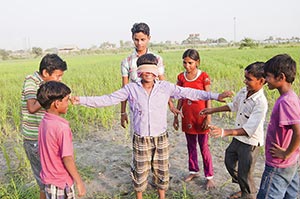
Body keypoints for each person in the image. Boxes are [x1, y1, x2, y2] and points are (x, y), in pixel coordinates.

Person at [72, 53, 232, 199]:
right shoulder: (131, 89)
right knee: (140, 170)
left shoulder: (164, 87)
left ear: (156, 71)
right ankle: (139, 196)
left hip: (160, 137)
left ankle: (161, 195)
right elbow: (106, 99)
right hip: (141, 138)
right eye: (144, 71)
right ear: (138, 72)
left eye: (151, 70)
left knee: (161, 169)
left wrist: (216, 96)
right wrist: (81, 100)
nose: (148, 74)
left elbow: (190, 92)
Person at [201, 62, 268, 199]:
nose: (245, 81)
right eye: (245, 77)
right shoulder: (244, 91)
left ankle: (248, 194)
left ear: (261, 81)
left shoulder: (260, 102)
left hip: (250, 142)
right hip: (237, 138)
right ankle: (245, 187)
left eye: (249, 79)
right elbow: (234, 105)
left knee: (245, 172)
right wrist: (213, 110)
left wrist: (224, 132)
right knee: (229, 161)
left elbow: (248, 129)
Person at [21, 54, 67, 199]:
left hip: (45, 138)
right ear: (46, 73)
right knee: (45, 179)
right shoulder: (31, 81)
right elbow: (32, 107)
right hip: (34, 139)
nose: (60, 80)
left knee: (48, 178)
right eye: (58, 76)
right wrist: (49, 95)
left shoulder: (45, 84)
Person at [257, 54, 300, 199]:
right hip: (290, 162)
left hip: (279, 164)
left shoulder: (285, 102)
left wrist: (286, 153)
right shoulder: (291, 97)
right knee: (290, 194)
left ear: (280, 77)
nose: (265, 80)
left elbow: (298, 132)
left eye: (267, 76)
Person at [120, 22, 177, 130]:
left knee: (158, 134)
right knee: (138, 136)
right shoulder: (127, 62)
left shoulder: (157, 59)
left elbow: (162, 83)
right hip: (137, 107)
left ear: (149, 38)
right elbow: (125, 89)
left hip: (156, 104)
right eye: (136, 39)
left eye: (143, 39)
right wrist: (123, 112)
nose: (139, 43)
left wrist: (171, 105)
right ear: (132, 38)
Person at [172, 49, 215, 190]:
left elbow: (208, 97)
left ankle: (209, 176)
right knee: (191, 146)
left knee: (204, 147)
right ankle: (193, 171)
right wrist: (176, 116)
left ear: (197, 62)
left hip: (201, 116)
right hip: (188, 116)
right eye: (185, 62)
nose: (187, 65)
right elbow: (179, 96)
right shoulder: (181, 77)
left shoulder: (203, 76)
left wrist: (208, 117)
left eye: (190, 62)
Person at [37, 81, 86, 198]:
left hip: (48, 180)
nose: (69, 103)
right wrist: (79, 181)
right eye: (66, 100)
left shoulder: (44, 121)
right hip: (60, 182)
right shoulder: (62, 127)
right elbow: (67, 158)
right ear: (57, 104)